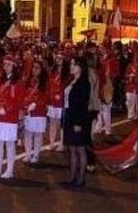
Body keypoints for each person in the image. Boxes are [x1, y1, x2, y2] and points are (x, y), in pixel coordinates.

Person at [0, 57, 23, 179]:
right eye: (5, 64)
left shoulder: (18, 82)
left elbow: (19, 101)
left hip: (10, 116)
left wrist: (6, 108)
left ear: (14, 66)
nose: (6, 66)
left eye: (9, 64)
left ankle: (9, 170)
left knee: (9, 144)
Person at [62, 56, 91, 188]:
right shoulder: (71, 80)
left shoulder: (84, 83)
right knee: (71, 148)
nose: (71, 66)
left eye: (74, 64)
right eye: (71, 64)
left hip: (78, 118)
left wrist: (78, 122)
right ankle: (72, 177)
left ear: (81, 67)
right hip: (69, 115)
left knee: (80, 148)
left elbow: (83, 104)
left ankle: (81, 179)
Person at [23, 60, 49, 165]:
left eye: (37, 68)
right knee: (28, 133)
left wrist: (36, 104)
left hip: (38, 112)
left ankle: (36, 155)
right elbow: (24, 94)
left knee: (37, 134)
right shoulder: (28, 81)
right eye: (33, 67)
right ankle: (28, 154)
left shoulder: (45, 83)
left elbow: (46, 97)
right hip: (28, 111)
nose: (35, 70)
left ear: (41, 70)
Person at [47, 53, 66, 151]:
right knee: (52, 122)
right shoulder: (52, 71)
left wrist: (61, 95)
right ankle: (52, 143)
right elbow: (49, 85)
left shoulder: (67, 73)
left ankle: (62, 143)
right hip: (52, 101)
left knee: (61, 123)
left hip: (61, 101)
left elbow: (66, 86)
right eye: (57, 58)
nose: (58, 60)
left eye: (60, 58)